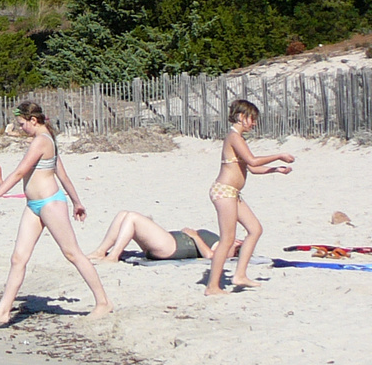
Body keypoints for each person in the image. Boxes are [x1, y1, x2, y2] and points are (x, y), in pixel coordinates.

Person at [0, 100, 113, 325]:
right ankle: (3, 310)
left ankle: (103, 302)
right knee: (18, 258)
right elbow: (62, 174)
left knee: (72, 254)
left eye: (22, 124)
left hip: (51, 203)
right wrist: (77, 202)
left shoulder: (41, 141)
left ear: (33, 120)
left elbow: (20, 172)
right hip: (33, 206)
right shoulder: (46, 139)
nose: (20, 128)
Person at [206, 99, 294, 296]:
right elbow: (252, 160)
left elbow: (253, 168)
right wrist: (279, 155)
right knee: (227, 239)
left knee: (255, 229)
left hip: (233, 193)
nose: (254, 124)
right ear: (241, 117)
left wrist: (276, 170)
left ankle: (240, 275)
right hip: (224, 191)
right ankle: (212, 287)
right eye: (252, 119)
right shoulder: (233, 136)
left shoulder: (239, 139)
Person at [87, 212, 232, 263]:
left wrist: (195, 236)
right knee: (123, 215)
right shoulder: (224, 241)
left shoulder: (228, 246)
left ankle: (113, 256)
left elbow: (210, 255)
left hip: (173, 246)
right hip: (170, 242)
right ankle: (101, 251)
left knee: (132, 218)